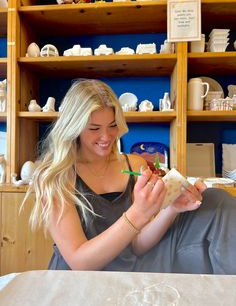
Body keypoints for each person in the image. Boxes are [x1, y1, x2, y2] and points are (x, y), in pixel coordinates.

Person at [23, 79, 236, 274]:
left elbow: (137, 245)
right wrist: (138, 213)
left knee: (217, 200)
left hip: (130, 269)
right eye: (94, 128)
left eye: (113, 126)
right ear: (74, 127)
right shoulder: (55, 176)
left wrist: (171, 209)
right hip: (79, 282)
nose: (106, 137)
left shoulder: (133, 164)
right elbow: (80, 262)